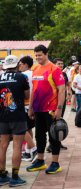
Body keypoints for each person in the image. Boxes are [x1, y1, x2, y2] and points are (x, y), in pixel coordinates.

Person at [26, 45, 65, 174]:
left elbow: (61, 90)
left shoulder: (54, 69)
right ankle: (40, 161)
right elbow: (34, 90)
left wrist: (59, 109)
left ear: (46, 54)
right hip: (38, 109)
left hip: (51, 109)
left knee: (54, 135)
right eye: (36, 55)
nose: (37, 57)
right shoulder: (35, 69)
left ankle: (55, 163)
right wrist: (31, 108)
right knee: (39, 135)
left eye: (40, 55)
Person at [0, 55, 30, 186]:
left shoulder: (0, 77)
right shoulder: (21, 77)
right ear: (17, 64)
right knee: (17, 145)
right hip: (18, 116)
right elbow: (27, 95)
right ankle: (15, 176)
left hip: (2, 116)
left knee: (2, 145)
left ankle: (1, 175)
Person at [18, 56, 38, 162]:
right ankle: (28, 151)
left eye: (21, 64)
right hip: (33, 104)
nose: (19, 66)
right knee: (29, 128)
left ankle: (32, 150)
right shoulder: (33, 73)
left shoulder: (23, 75)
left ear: (25, 64)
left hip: (25, 105)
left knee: (22, 129)